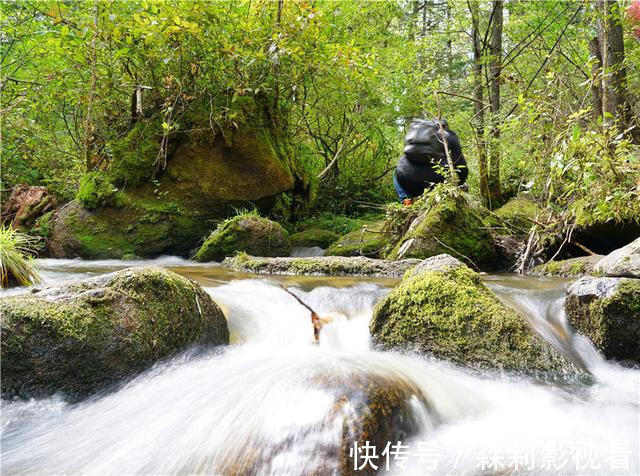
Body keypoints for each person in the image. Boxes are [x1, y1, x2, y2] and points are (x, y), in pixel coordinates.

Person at [393, 118, 468, 206]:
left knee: (397, 172)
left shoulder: (414, 134)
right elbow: (461, 165)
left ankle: (406, 199)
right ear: (446, 127)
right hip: (435, 182)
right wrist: (460, 182)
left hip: (407, 180)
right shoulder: (449, 136)